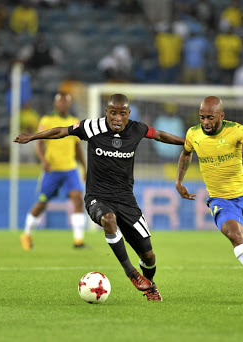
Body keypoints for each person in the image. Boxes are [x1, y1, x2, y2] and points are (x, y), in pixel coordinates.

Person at [14, 94, 186, 301]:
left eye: (122, 114)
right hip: (97, 197)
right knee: (108, 219)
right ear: (107, 112)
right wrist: (33, 137)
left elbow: (159, 135)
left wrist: (188, 142)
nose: (117, 118)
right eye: (113, 113)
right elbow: (62, 131)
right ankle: (131, 273)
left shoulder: (137, 129)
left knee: (148, 256)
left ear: (128, 114)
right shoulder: (91, 127)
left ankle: (150, 286)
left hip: (126, 200)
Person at [175, 96, 243, 297]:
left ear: (221, 115)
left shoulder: (237, 130)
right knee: (235, 234)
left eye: (210, 117)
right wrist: (179, 181)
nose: (205, 122)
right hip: (220, 199)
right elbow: (186, 154)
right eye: (202, 117)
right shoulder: (193, 134)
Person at [20, 92, 87, 251]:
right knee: (42, 202)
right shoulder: (47, 120)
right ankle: (27, 234)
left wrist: (84, 167)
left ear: (69, 104)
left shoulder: (74, 122)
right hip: (52, 170)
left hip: (70, 169)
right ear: (55, 104)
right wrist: (43, 161)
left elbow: (77, 147)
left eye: (66, 102)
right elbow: (39, 144)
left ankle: (78, 240)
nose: (63, 104)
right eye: (60, 102)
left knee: (77, 199)